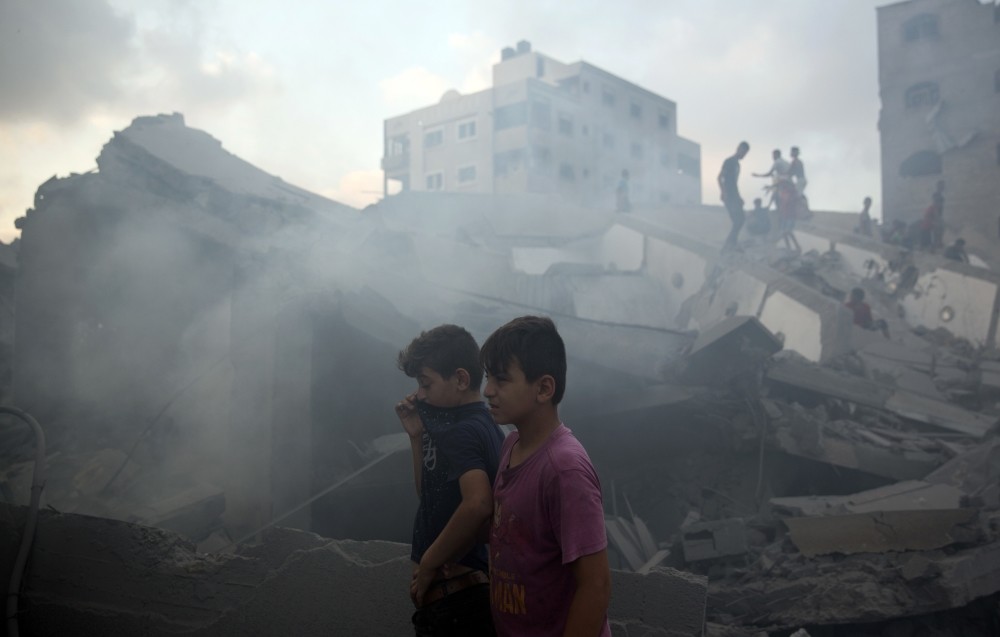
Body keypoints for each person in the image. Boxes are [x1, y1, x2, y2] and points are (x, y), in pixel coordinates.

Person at [481, 316, 611, 637]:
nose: (487, 391)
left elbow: (596, 585)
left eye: (501, 379)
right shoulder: (511, 444)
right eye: (487, 377)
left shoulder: (564, 469)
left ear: (543, 388)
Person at [395, 324, 505, 637]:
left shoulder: (462, 431)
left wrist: (429, 563)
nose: (420, 394)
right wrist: (417, 437)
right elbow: (429, 495)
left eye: (426, 383)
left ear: (460, 379)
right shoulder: (472, 426)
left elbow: (478, 502)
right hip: (459, 600)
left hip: (457, 605)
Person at [718, 141, 750, 252]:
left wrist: (739, 197)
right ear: (739, 149)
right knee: (738, 220)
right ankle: (729, 244)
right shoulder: (729, 161)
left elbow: (734, 183)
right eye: (743, 153)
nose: (743, 156)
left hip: (734, 195)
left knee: (740, 219)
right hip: (729, 195)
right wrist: (723, 192)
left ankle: (732, 243)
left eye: (745, 154)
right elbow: (720, 177)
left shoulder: (737, 164)